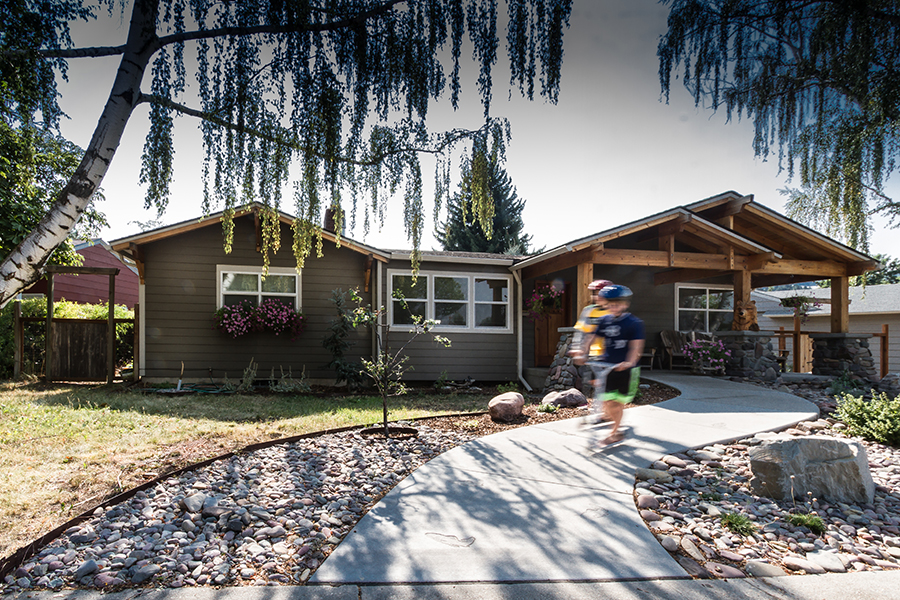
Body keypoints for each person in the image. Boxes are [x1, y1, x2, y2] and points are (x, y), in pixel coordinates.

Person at [582, 284, 644, 447]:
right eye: (610, 304)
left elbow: (636, 346)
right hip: (607, 366)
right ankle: (614, 425)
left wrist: (629, 362)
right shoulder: (604, 320)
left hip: (625, 369)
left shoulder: (633, 323)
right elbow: (592, 337)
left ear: (625, 304)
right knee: (607, 402)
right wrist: (582, 351)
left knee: (615, 403)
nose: (613, 307)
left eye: (617, 303)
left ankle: (616, 432)